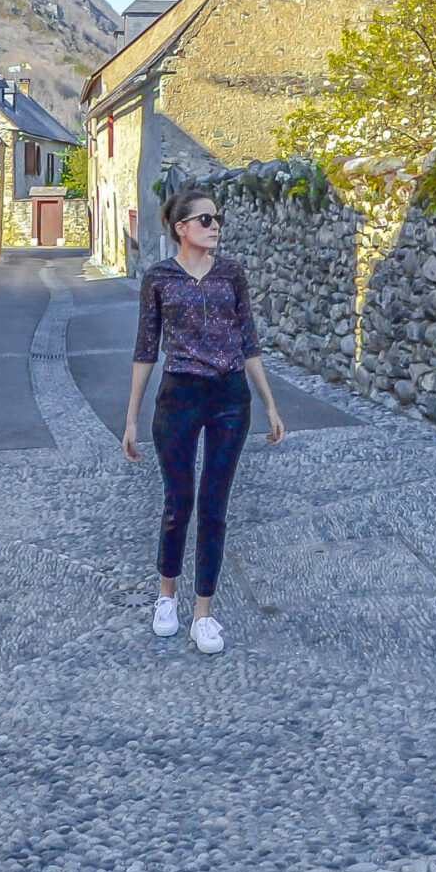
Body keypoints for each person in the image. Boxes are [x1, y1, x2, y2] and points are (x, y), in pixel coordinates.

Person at [122, 182, 284, 653]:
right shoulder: (158, 279)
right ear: (182, 228)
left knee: (214, 505)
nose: (215, 228)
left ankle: (203, 613)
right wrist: (131, 418)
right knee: (179, 501)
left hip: (230, 397)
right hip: (179, 397)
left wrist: (270, 404)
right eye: (206, 220)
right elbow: (144, 350)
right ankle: (166, 597)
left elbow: (248, 343)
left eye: (218, 220)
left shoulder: (231, 275)